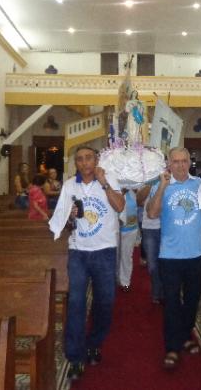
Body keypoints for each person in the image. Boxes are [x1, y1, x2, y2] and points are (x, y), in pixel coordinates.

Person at [48, 145, 125, 381]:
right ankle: (75, 357)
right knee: (76, 303)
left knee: (105, 302)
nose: (84, 163)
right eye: (80, 159)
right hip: (79, 252)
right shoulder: (70, 186)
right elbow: (62, 224)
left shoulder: (109, 179)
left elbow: (120, 207)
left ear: (96, 159)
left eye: (89, 158)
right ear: (76, 163)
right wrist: (70, 217)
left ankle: (94, 342)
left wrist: (104, 183)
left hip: (104, 251)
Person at [147, 147, 201, 370]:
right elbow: (151, 214)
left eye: (184, 161)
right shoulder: (162, 185)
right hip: (170, 255)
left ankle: (185, 335)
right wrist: (163, 187)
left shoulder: (199, 184)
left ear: (190, 162)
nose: (180, 165)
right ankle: (172, 347)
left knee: (192, 300)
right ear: (169, 163)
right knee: (171, 303)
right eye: (175, 161)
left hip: (196, 253)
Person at [137, 184, 163, 304]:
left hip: (168, 227)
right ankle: (157, 292)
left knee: (167, 262)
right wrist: (151, 182)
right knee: (152, 264)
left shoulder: (172, 177)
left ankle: (163, 292)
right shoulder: (148, 179)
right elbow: (139, 200)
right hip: (150, 227)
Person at [117, 189, 139, 292]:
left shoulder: (133, 188)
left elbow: (140, 202)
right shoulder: (112, 187)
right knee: (114, 255)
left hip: (131, 228)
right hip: (114, 229)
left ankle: (125, 281)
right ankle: (114, 278)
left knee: (126, 255)